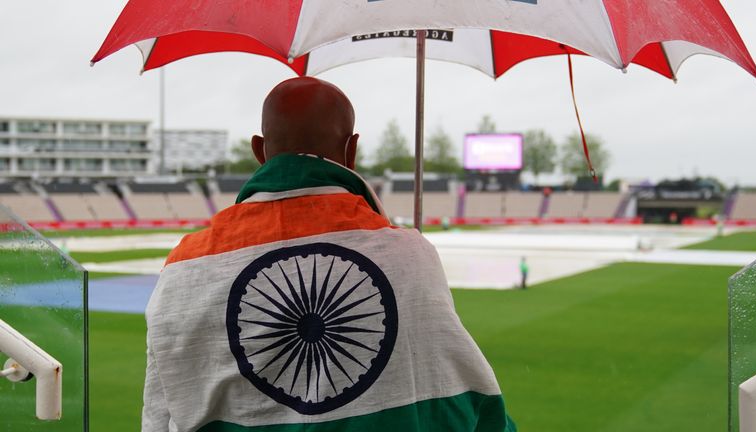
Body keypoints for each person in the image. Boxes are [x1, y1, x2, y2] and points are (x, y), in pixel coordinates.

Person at [142, 77, 516, 432]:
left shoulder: (184, 265)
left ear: (259, 151)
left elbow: (161, 415)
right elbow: (459, 399)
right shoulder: (410, 254)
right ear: (351, 151)